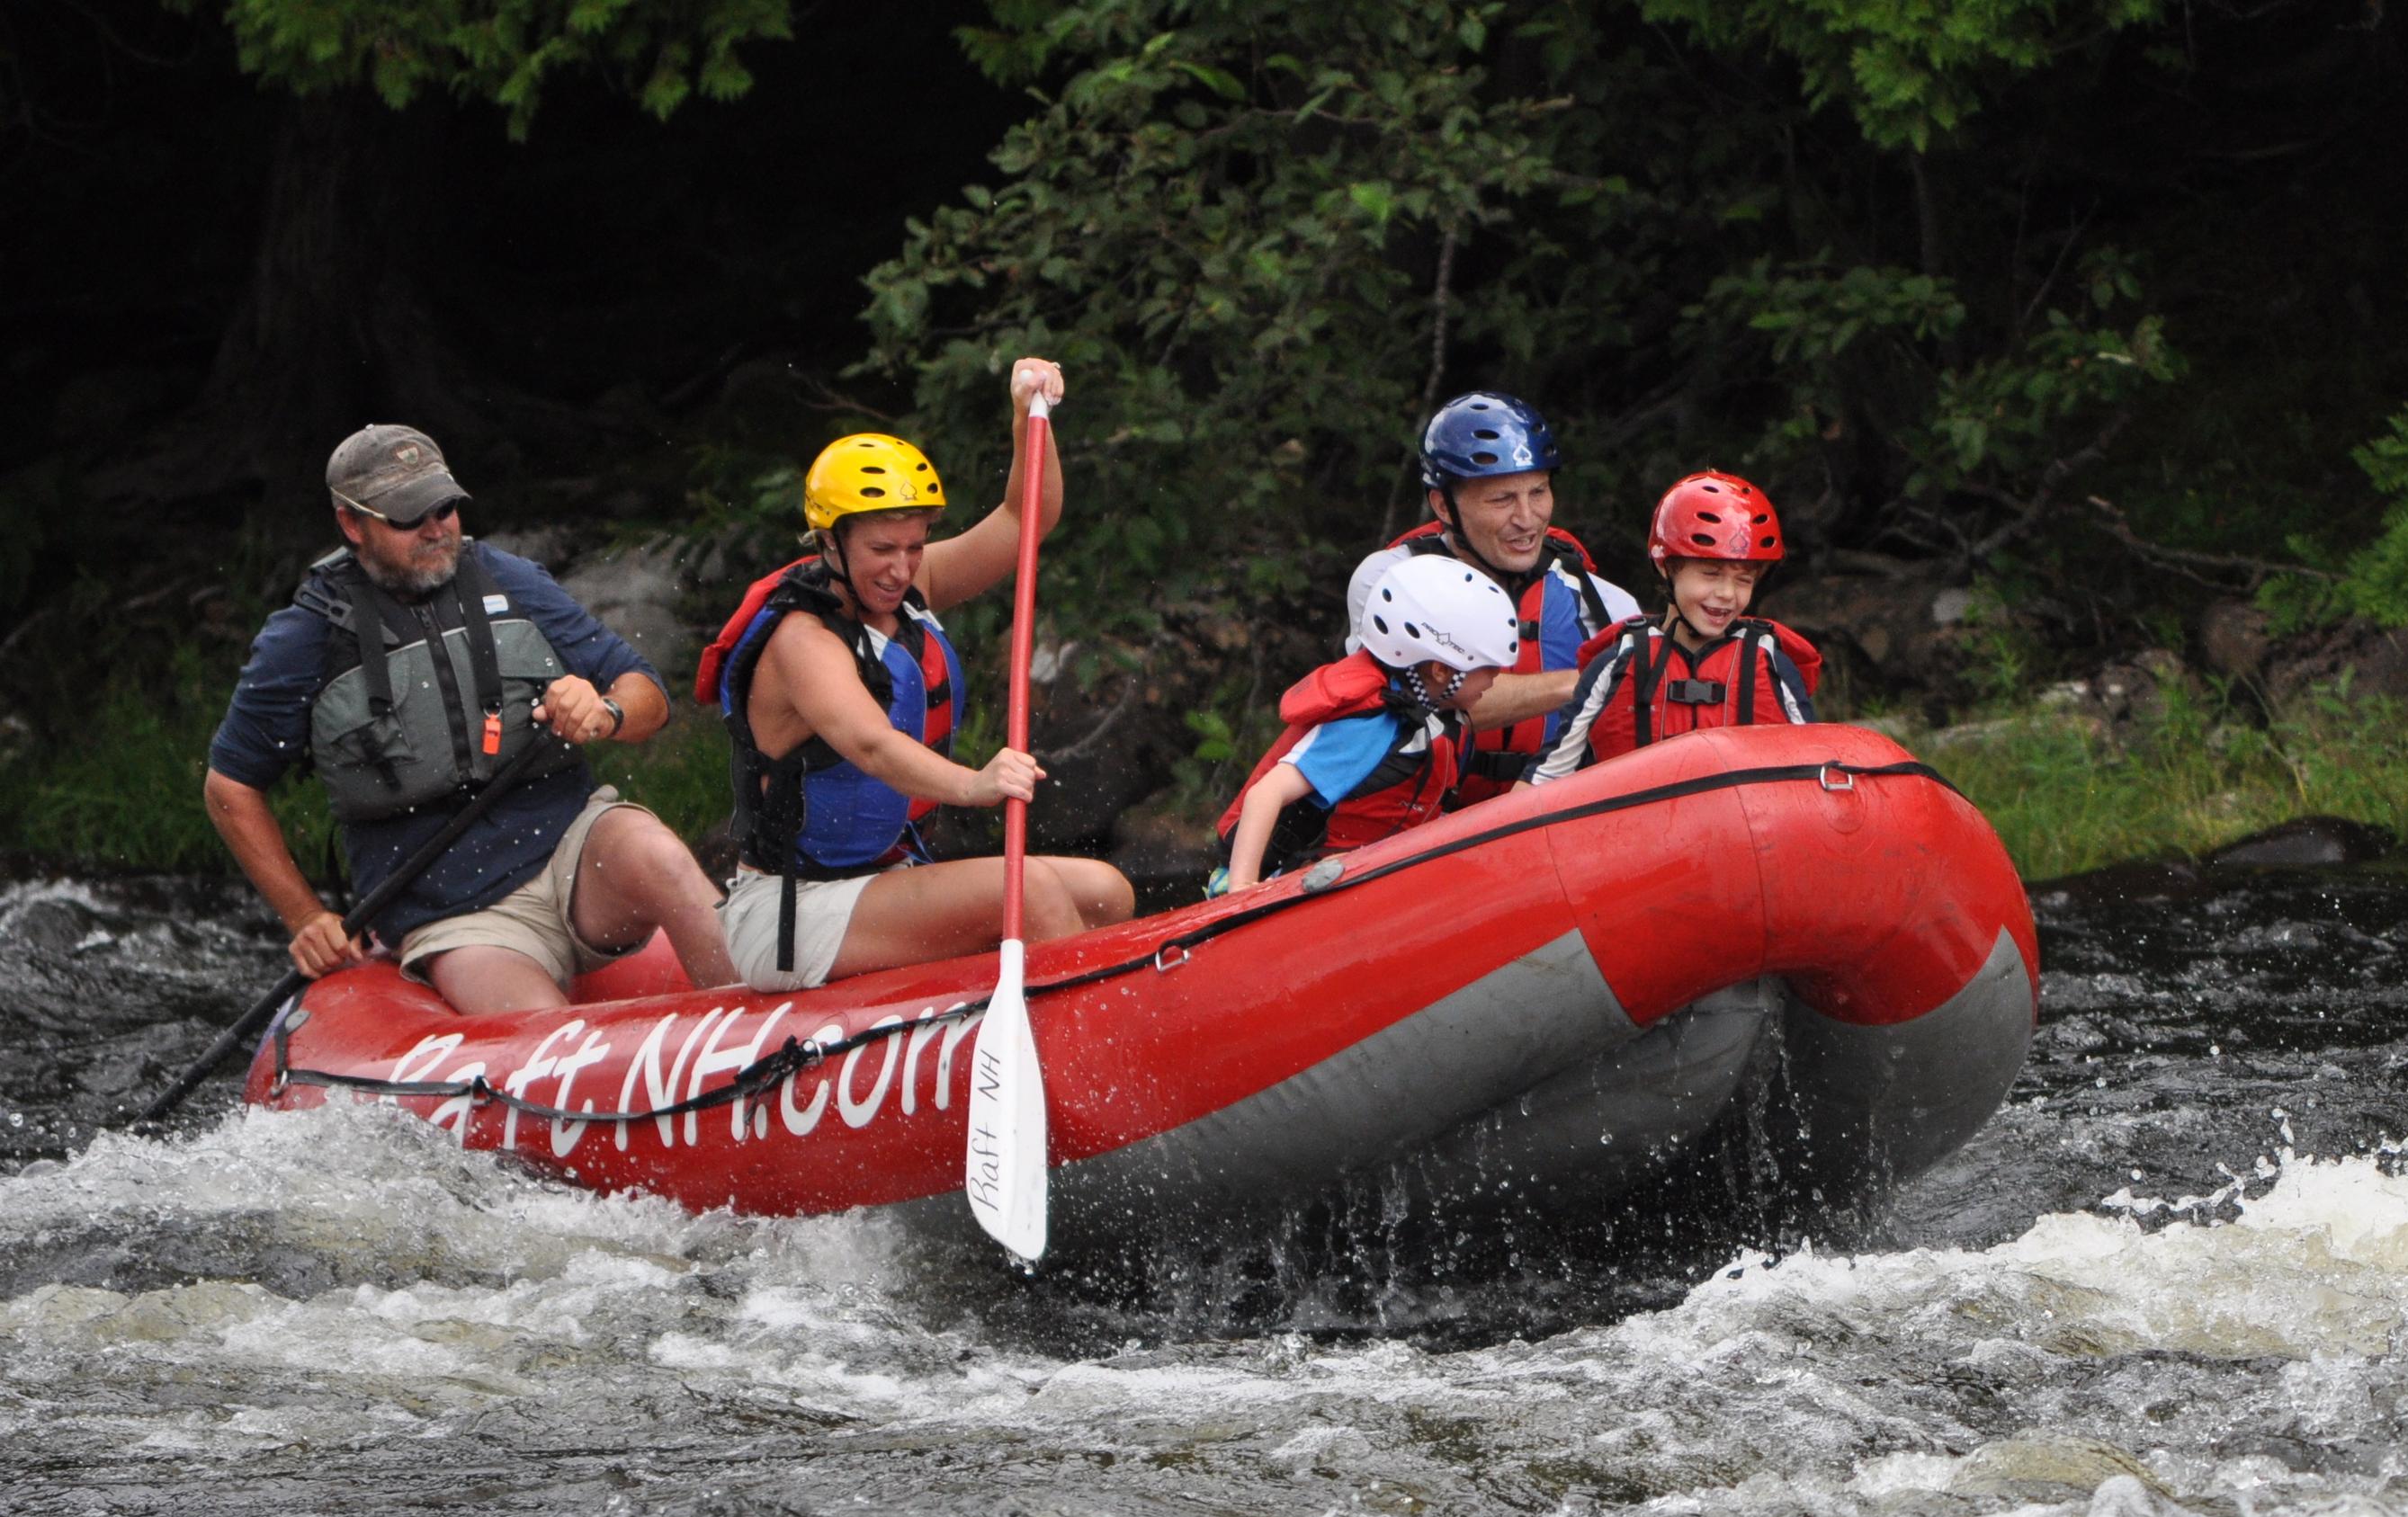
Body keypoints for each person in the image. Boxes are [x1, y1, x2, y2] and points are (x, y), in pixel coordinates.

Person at [203, 424, 731, 1015]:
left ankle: (771, 1035)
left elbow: (646, 696)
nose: (435, 527)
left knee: (658, 853)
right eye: (408, 516)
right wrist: (305, 916)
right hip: (453, 911)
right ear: (353, 525)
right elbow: (230, 786)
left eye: (445, 507)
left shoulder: (509, 581)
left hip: (572, 851)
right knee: (542, 1037)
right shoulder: (304, 639)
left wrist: (606, 712)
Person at [703, 357, 1133, 989]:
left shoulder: (910, 587)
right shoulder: (801, 639)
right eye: (882, 549)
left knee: (1108, 890)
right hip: (794, 912)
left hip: (883, 880)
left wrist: (1025, 418)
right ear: (829, 543)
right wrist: (976, 784)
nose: (902, 568)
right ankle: (1108, 1047)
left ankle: (1063, 1015)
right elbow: (871, 745)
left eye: (914, 545)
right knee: (1031, 889)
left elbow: (1024, 522)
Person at [1353, 391, 1641, 801]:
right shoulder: (1389, 582)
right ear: (1443, 506)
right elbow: (1417, 703)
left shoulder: (1604, 602)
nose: (1527, 519)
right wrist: (1589, 682)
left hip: (1551, 819)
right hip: (1424, 822)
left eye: (1538, 493)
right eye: (1502, 499)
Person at [1214, 555, 1517, 890]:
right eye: (1489, 669)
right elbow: (1265, 794)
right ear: (1441, 671)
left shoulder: (1425, 708)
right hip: (1270, 882)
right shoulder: (1371, 726)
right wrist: (1242, 890)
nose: (1496, 678)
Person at [1533, 471, 1822, 784]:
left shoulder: (1769, 661)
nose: (1727, 594)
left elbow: (1815, 772)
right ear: (1665, 566)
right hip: (1637, 831)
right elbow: (1545, 776)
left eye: (1744, 580)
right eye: (1711, 574)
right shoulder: (1621, 660)